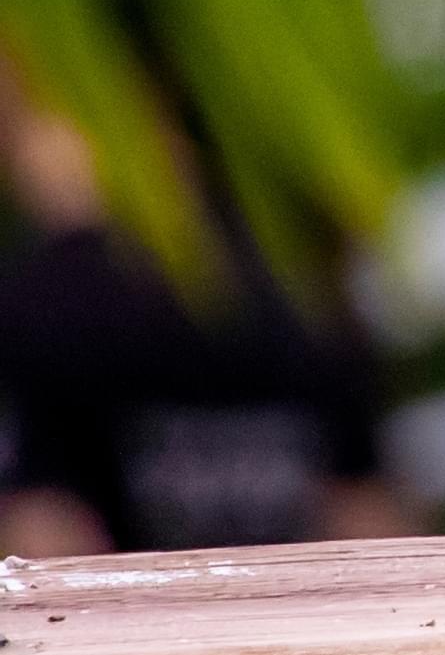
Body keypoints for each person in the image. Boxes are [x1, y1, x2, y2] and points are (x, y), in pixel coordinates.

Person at [0, 67, 414, 556]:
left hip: (286, 602)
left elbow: (364, 503)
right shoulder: (44, 300)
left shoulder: (289, 279)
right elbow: (43, 523)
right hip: (141, 611)